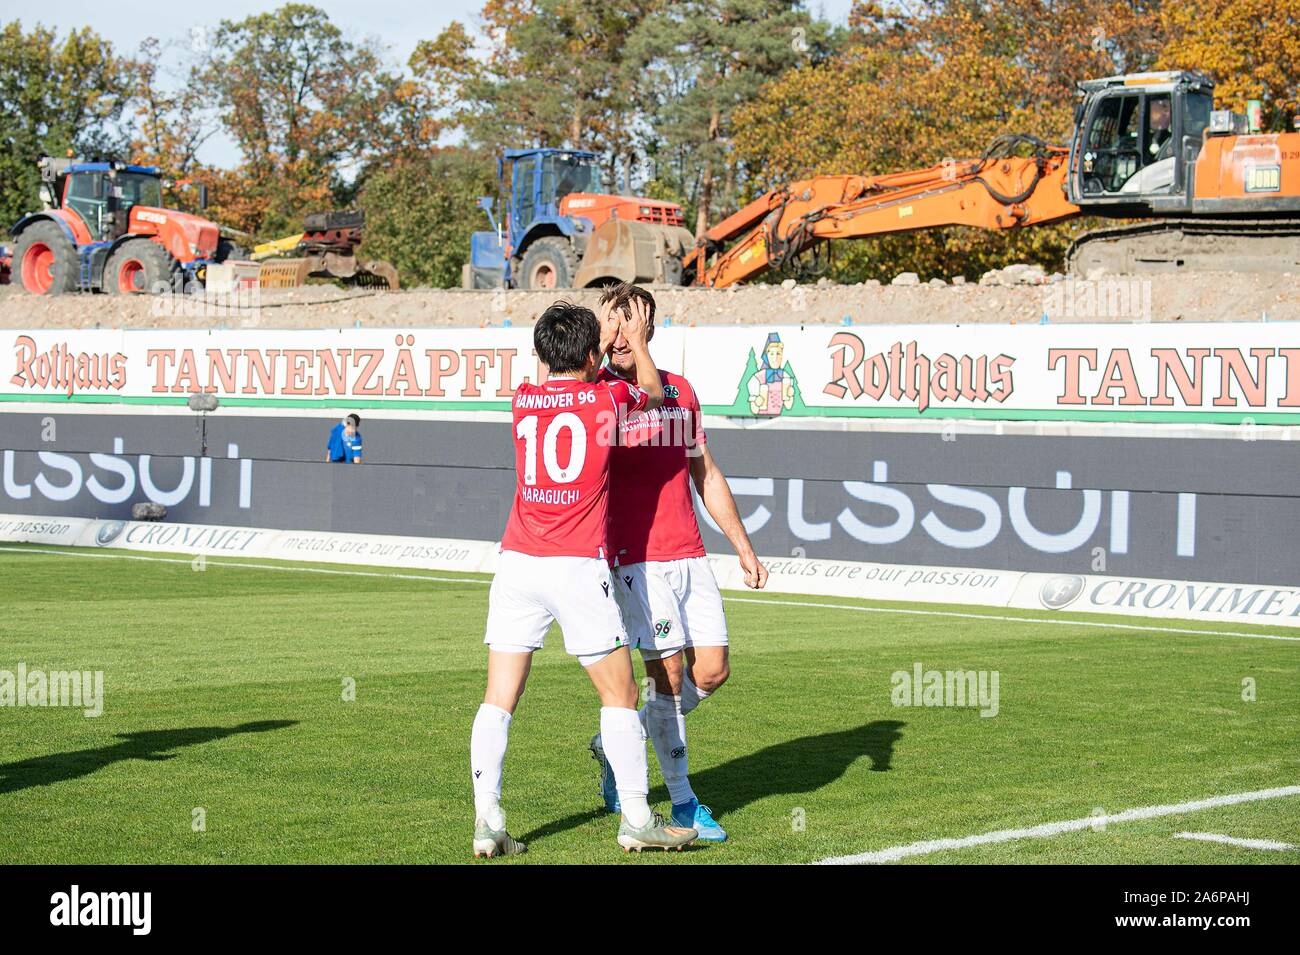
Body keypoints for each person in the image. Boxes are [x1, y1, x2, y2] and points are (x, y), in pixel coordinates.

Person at [470, 299, 698, 858]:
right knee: (620, 696)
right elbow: (654, 393)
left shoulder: (524, 402)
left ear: (541, 354)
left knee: (499, 698)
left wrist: (575, 340)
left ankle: (487, 822)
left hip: (518, 562)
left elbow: (552, 368)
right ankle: (638, 819)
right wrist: (636, 341)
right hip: (576, 564)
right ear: (595, 354)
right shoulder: (606, 398)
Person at [590, 282, 769, 843]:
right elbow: (637, 394)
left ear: (651, 327)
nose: (623, 334)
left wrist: (742, 544)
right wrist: (619, 347)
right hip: (633, 559)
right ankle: (685, 803)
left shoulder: (681, 391)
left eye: (633, 322)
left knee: (712, 672)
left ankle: (620, 739)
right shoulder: (597, 395)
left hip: (688, 552)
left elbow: (706, 473)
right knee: (665, 676)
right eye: (614, 323)